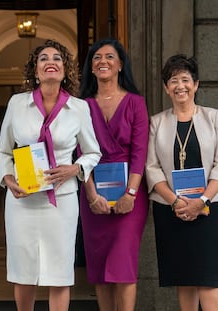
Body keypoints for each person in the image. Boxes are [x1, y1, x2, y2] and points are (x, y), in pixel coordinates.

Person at [0, 39, 101, 311]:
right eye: (43, 58)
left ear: (65, 70)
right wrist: (8, 180)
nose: (50, 61)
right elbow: (2, 152)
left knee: (59, 273)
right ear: (35, 70)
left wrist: (75, 168)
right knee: (23, 272)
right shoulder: (17, 103)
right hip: (22, 201)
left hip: (61, 202)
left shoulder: (79, 107)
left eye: (57, 58)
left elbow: (93, 153)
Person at [78, 38, 149, 311]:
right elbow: (78, 153)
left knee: (123, 264)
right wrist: (91, 193)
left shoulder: (135, 103)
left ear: (120, 65)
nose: (103, 61)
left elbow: (140, 153)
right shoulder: (80, 105)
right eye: (96, 58)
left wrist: (130, 193)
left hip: (130, 195)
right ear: (91, 68)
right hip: (92, 192)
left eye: (109, 56)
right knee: (99, 267)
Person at [146, 54, 218, 311]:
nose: (180, 86)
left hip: (209, 209)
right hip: (171, 209)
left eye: (185, 79)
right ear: (166, 88)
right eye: (173, 80)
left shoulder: (214, 118)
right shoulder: (156, 122)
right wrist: (176, 201)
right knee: (184, 278)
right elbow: (151, 167)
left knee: (209, 279)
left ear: (196, 84)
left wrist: (201, 201)